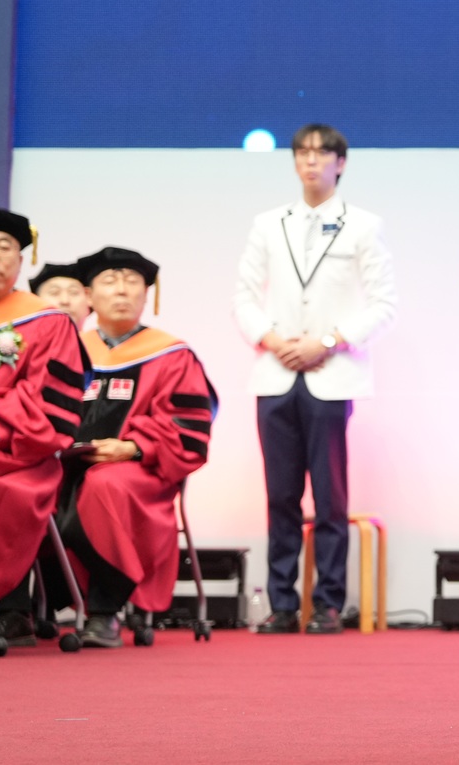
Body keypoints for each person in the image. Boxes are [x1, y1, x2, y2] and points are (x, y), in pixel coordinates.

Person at [233, 124, 396, 636]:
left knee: (330, 499)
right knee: (279, 496)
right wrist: (273, 340)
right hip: (276, 372)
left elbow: (384, 303)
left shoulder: (363, 225)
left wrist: (329, 342)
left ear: (340, 163)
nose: (311, 162)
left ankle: (327, 603)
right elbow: (243, 296)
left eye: (321, 153)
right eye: (302, 153)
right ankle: (282, 604)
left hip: (332, 374)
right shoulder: (268, 223)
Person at [42, 247, 215, 648]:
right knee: (27, 488)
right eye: (109, 281)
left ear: (146, 294)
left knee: (105, 488)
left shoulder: (172, 354)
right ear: (88, 295)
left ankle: (104, 612)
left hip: (142, 468)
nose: (121, 290)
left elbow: (188, 427)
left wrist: (134, 446)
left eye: (131, 281)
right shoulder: (68, 347)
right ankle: (24, 613)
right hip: (65, 464)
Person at [0, 208, 89, 648]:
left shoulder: (48, 322)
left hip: (19, 455)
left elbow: (50, 406)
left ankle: (9, 610)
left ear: (20, 260)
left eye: (4, 247)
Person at [30, 262, 91, 326]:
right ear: (36, 299)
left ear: (88, 297)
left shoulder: (99, 335)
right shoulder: (22, 335)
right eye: (54, 293)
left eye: (73, 292)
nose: (65, 301)